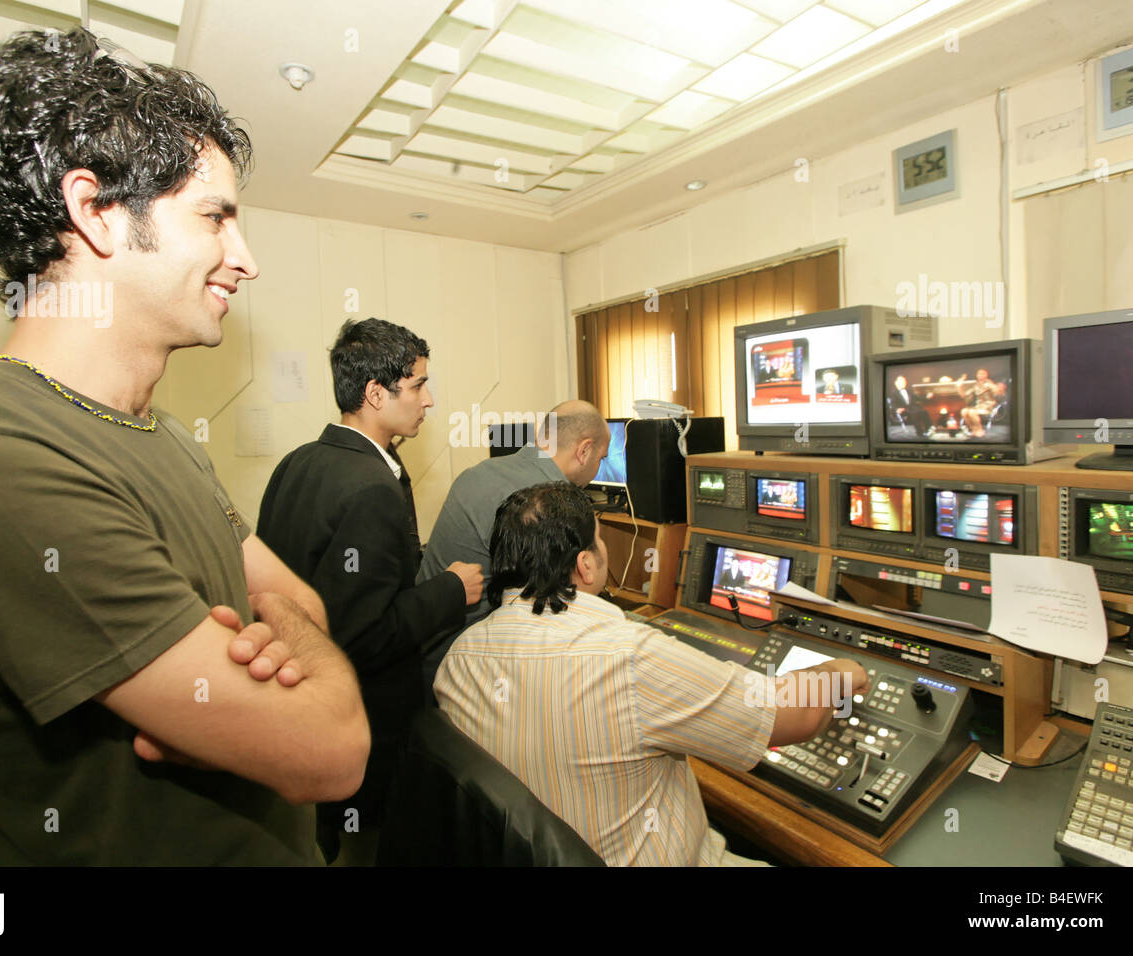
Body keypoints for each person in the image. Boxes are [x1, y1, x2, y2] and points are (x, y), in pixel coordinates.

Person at [0, 28, 369, 864]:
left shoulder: (164, 435)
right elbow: (331, 748)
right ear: (95, 211)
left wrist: (281, 647)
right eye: (216, 217)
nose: (244, 260)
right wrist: (291, 683)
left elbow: (304, 605)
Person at [434, 481, 868, 866]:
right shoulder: (628, 657)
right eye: (601, 541)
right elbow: (792, 716)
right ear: (586, 565)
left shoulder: (459, 657)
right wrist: (845, 671)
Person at [256, 317, 484, 862]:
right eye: (419, 385)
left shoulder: (298, 462)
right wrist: (452, 589)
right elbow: (366, 635)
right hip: (359, 716)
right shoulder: (371, 488)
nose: (429, 400)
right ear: (375, 394)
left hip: (293, 699)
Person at [416, 400, 609, 690]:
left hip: (426, 651)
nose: (598, 467)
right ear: (583, 451)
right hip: (462, 669)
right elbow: (557, 608)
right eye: (601, 458)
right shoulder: (542, 504)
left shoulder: (482, 471)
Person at [959, 367, 1000, 437]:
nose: (980, 375)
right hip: (979, 406)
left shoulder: (989, 383)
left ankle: (980, 430)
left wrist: (993, 386)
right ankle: (973, 429)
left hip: (988, 406)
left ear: (986, 375)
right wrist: (959, 387)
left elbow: (998, 392)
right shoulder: (976, 385)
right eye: (979, 374)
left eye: (983, 374)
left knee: (971, 412)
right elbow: (964, 395)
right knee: (964, 411)